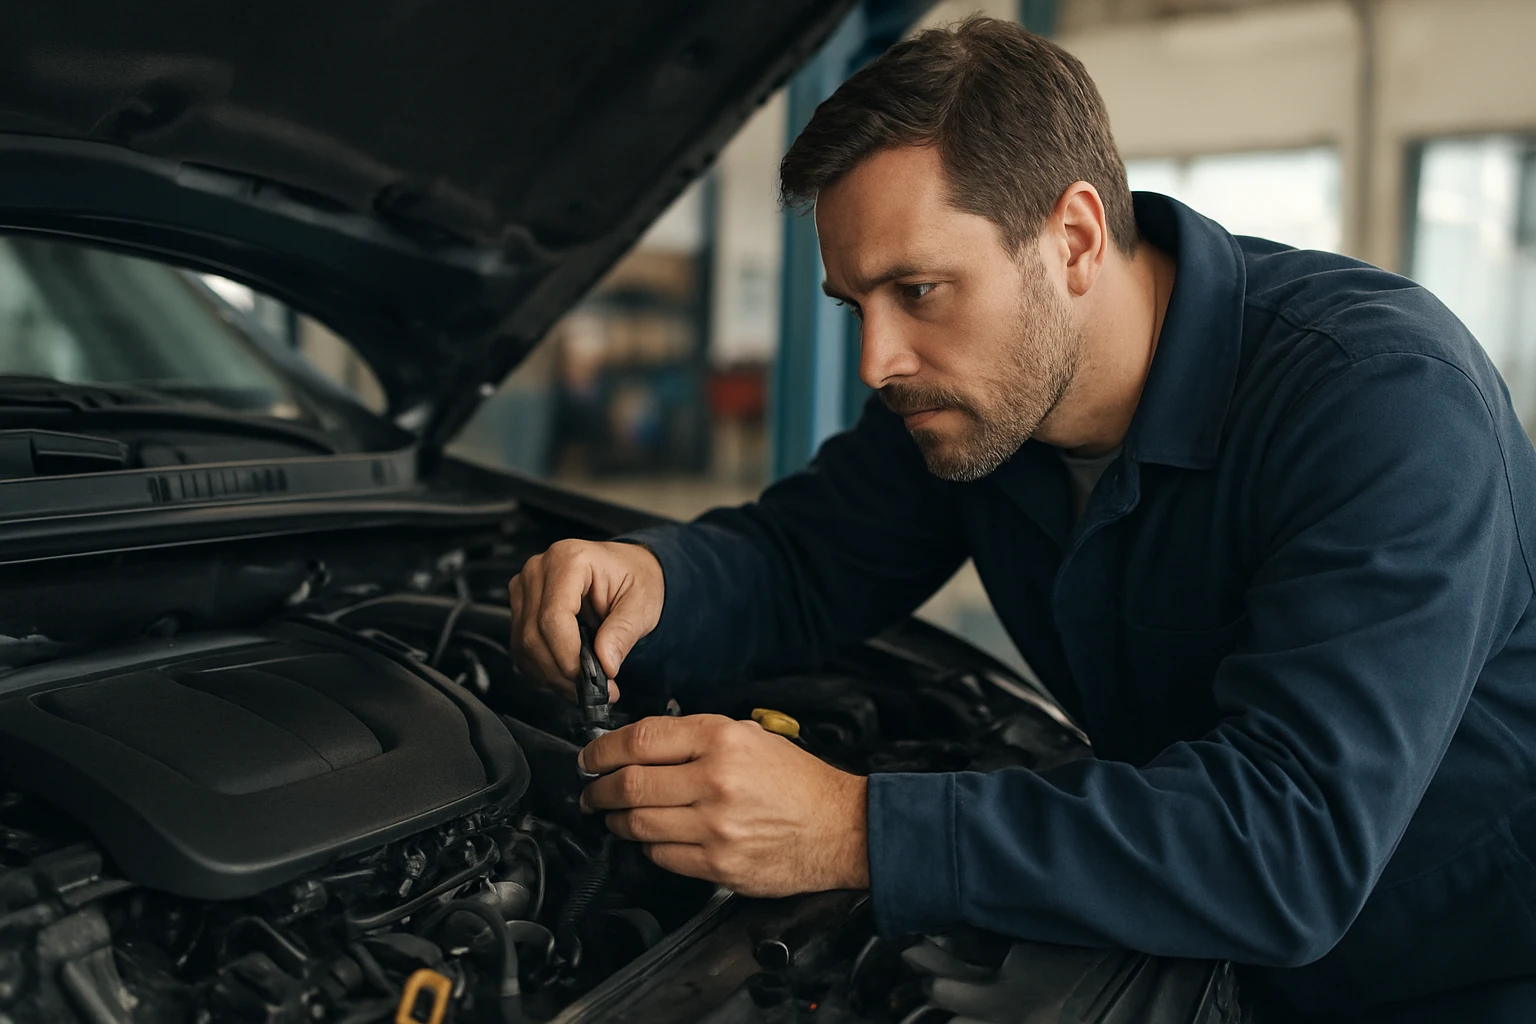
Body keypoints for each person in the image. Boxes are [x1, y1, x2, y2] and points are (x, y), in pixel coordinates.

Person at [507, 16, 1536, 1022]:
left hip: (1454, 979)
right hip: (1198, 948)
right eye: (855, 305)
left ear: (1074, 238)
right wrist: (656, 579)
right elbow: (802, 558)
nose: (878, 362)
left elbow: (1290, 843)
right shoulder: (979, 402)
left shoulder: (1383, 403)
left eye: (919, 289)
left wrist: (853, 826)